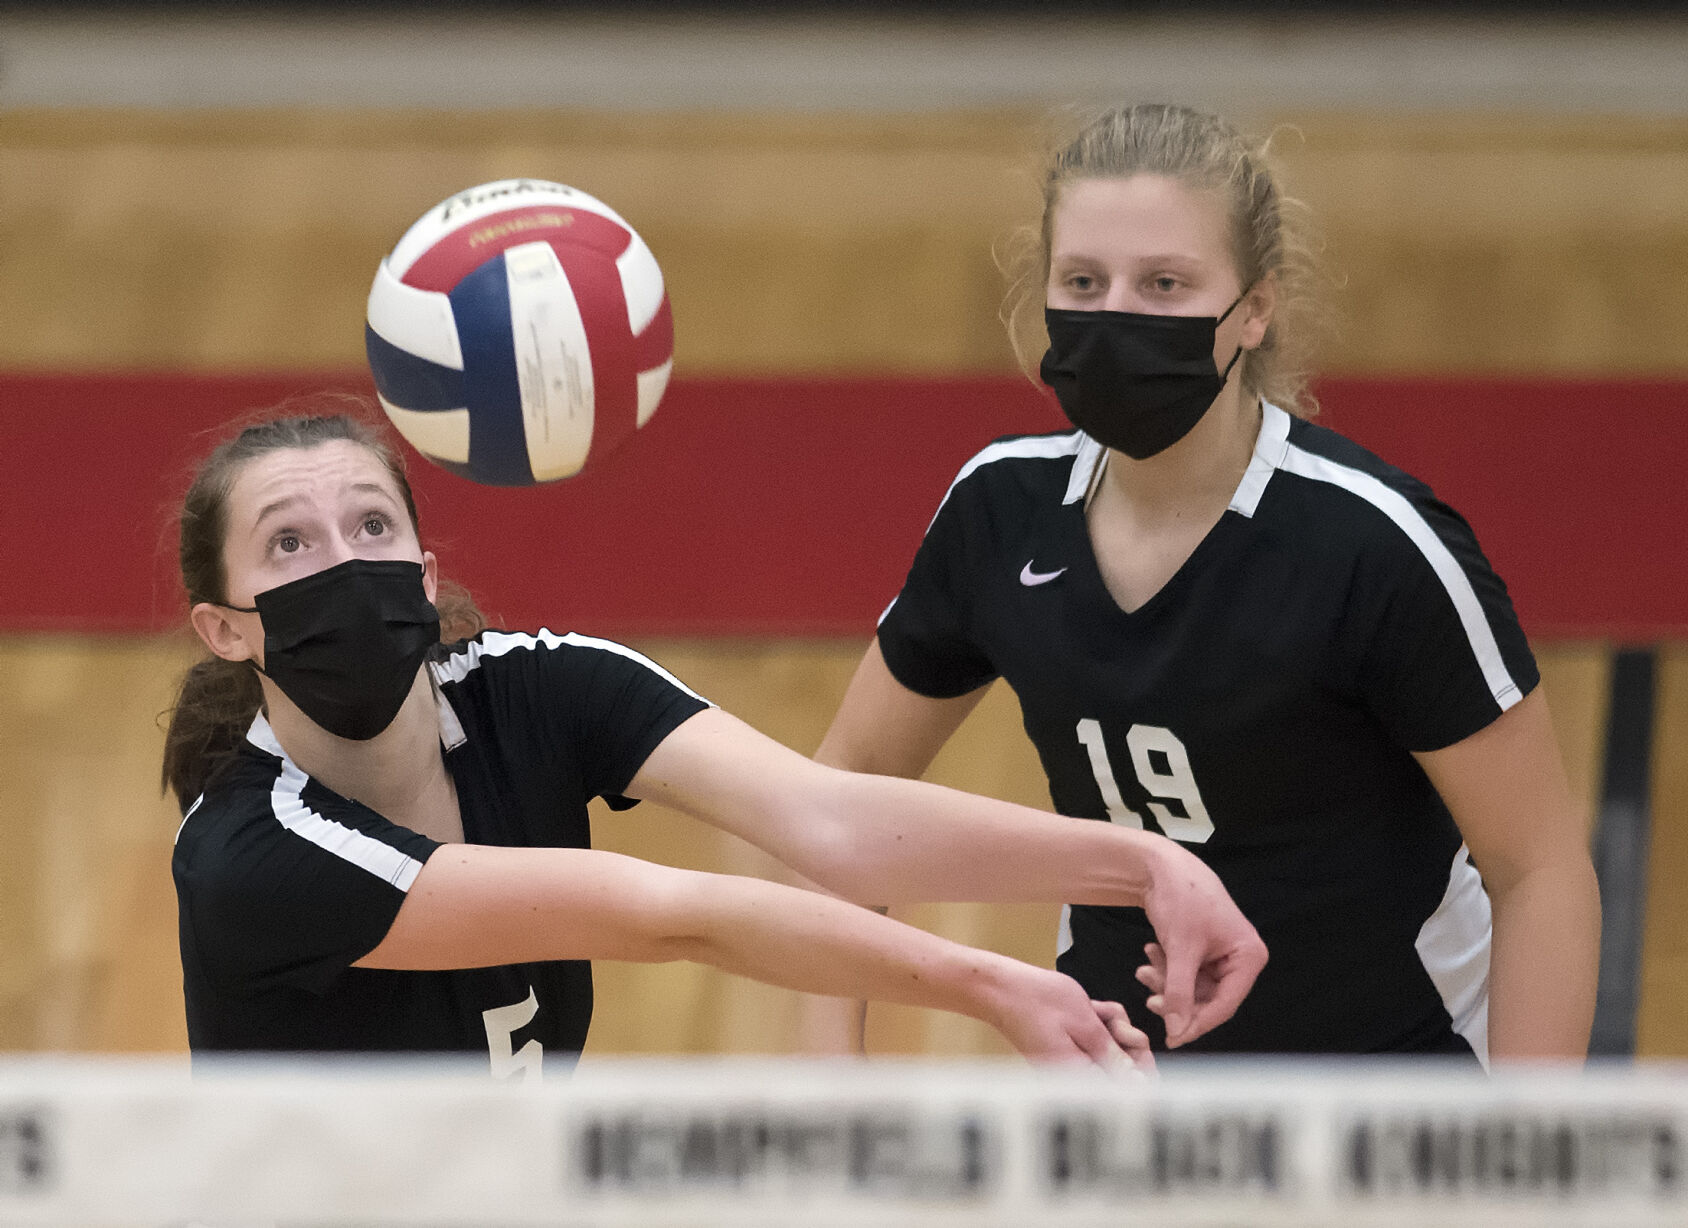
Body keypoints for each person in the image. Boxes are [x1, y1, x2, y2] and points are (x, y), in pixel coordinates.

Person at [813, 103, 1599, 1063]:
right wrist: (831, 1097)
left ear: (1255, 309)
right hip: (1127, 1088)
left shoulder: (1374, 547)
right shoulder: (999, 512)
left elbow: (1540, 870)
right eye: (1084, 281)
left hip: (1396, 1088)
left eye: (1165, 284)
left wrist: (1520, 1172)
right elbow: (845, 799)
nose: (1116, 317)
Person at [164, 404, 1266, 1074]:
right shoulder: (250, 858)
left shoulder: (539, 688)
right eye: (290, 545)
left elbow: (828, 818)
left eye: (370, 525)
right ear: (225, 628)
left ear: (426, 569)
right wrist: (996, 987)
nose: (345, 564)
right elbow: (678, 917)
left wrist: (1147, 863)